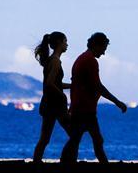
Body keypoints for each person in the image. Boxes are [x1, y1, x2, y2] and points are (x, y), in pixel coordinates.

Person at [60, 32, 127, 163]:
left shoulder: (81, 58)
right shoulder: (90, 61)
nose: (103, 53)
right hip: (84, 108)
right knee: (89, 139)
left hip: (81, 107)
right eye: (103, 49)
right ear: (96, 45)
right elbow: (98, 86)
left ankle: (65, 162)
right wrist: (117, 102)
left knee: (78, 138)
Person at [32, 31, 71, 162]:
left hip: (49, 104)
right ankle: (67, 160)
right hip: (55, 105)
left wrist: (72, 86)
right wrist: (63, 96)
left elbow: (56, 84)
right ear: (59, 43)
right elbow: (49, 83)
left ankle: (36, 161)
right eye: (65, 41)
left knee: (44, 139)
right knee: (74, 133)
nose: (67, 44)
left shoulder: (51, 60)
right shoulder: (55, 62)